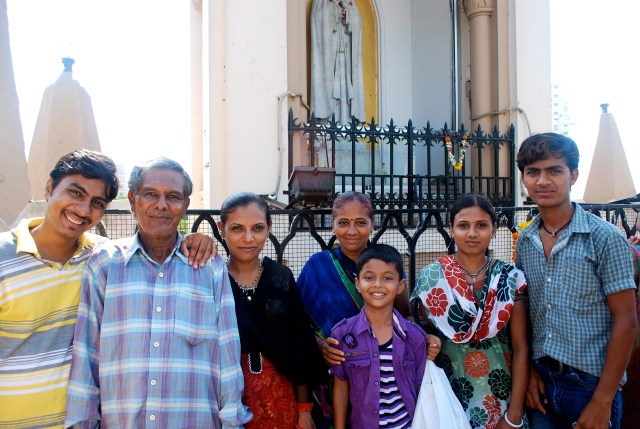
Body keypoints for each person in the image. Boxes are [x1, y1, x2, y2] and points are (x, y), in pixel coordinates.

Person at [0, 150, 214, 429]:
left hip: (75, 420)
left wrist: (197, 240)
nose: (83, 210)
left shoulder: (103, 258)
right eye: (75, 193)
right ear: (50, 189)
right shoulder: (4, 256)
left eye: (97, 202)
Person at [64, 158, 250, 428]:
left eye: (173, 196)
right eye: (151, 194)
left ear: (185, 206)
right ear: (133, 200)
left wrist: (232, 422)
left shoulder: (208, 266)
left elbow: (227, 352)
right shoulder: (105, 264)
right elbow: (86, 356)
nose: (162, 204)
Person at [515, 133, 637, 429]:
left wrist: (603, 400)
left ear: (573, 175)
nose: (543, 181)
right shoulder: (526, 239)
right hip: (542, 384)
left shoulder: (604, 238)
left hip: (590, 385)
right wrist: (530, 373)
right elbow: (528, 313)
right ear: (523, 179)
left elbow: (627, 321)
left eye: (554, 170)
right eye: (533, 172)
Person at [297, 191, 440, 427]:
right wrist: (320, 345)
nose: (352, 231)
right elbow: (298, 323)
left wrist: (426, 339)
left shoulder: (387, 264)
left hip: (388, 377)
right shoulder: (317, 266)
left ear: (371, 225)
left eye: (360, 222)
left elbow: (405, 316)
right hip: (336, 377)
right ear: (333, 226)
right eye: (343, 223)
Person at [411, 193, 529, 429]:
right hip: (446, 397)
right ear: (452, 229)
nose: (472, 234)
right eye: (463, 225)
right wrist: (425, 339)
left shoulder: (509, 278)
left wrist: (514, 415)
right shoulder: (431, 277)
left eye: (482, 226)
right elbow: (410, 329)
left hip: (500, 399)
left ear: (494, 229)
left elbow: (520, 347)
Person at [217, 192, 320, 429]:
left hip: (282, 404)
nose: (248, 238)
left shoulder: (281, 278)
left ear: (269, 228)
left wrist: (304, 411)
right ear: (222, 229)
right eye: (237, 229)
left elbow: (300, 345)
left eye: (257, 228)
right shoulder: (214, 281)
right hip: (228, 403)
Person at [331, 244, 427, 429]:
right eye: (369, 277)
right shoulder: (342, 335)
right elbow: (341, 386)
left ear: (400, 286)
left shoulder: (415, 337)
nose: (377, 284)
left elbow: (421, 389)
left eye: (387, 278)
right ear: (357, 284)